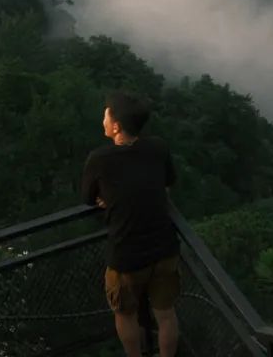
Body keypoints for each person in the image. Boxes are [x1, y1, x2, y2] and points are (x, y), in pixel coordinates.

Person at [81, 91, 180, 357]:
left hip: (127, 255)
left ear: (116, 126)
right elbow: (167, 183)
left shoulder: (100, 159)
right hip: (164, 248)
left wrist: (108, 198)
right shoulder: (157, 147)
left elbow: (88, 198)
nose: (102, 117)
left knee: (126, 314)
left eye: (106, 113)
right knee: (166, 315)